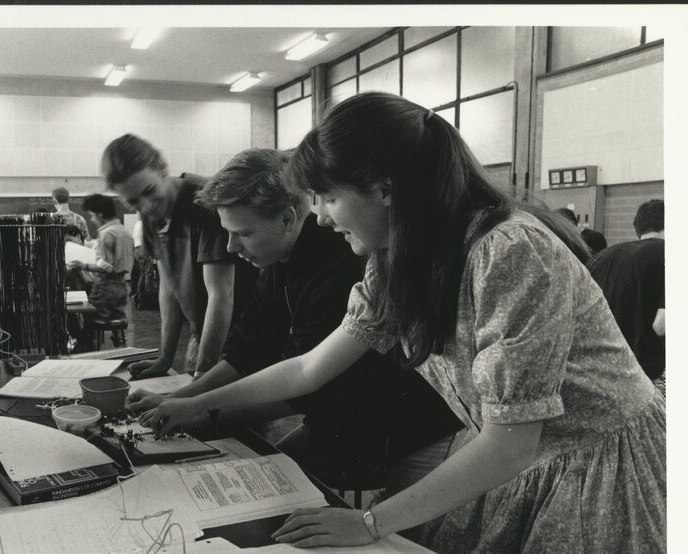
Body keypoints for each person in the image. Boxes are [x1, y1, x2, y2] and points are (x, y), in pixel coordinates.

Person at [142, 92, 666, 554]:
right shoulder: (395, 258)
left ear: (385, 189)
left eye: (329, 198)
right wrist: (194, 404)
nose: (320, 217)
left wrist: (369, 522)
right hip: (523, 464)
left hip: (598, 471)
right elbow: (307, 369)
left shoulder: (510, 251)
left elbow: (511, 443)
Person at [127, 148, 463, 490]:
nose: (230, 247)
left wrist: (202, 412)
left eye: (243, 233)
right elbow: (251, 346)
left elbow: (306, 385)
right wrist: (184, 398)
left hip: (402, 430)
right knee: (269, 479)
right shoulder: (280, 261)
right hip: (341, 417)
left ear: (287, 219)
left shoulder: (344, 265)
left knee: (277, 488)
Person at [101, 134, 255, 379]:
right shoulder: (151, 213)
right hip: (201, 332)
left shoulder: (206, 202)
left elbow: (221, 295)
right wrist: (165, 358)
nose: (146, 205)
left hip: (244, 339)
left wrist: (203, 373)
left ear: (162, 169)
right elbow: (169, 287)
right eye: (134, 202)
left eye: (149, 191)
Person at [589, 199, 665, 384]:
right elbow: (661, 325)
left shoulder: (603, 256)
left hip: (598, 370)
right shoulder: (672, 255)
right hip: (645, 376)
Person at [69, 193, 134, 322]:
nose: (92, 220)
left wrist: (83, 265)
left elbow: (106, 267)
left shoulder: (106, 234)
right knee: (115, 319)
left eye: (92, 215)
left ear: (100, 214)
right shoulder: (125, 231)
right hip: (123, 286)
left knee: (86, 318)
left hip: (106, 287)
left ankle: (88, 335)